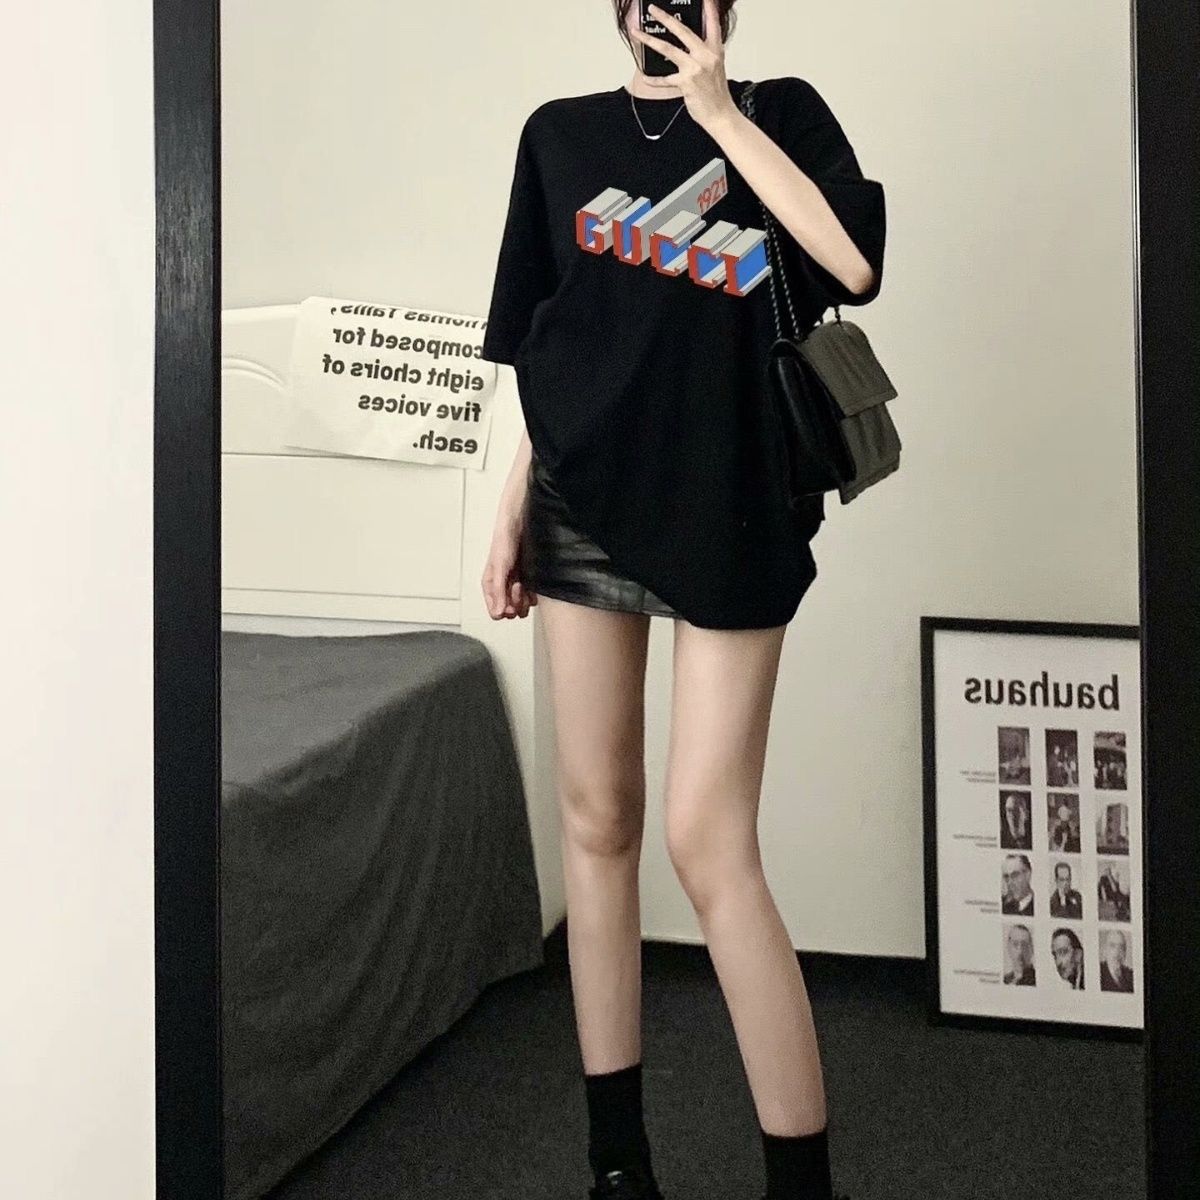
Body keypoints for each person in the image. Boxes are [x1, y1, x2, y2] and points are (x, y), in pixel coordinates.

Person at [478, 2, 885, 1197]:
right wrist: (513, 504)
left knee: (709, 841)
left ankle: (800, 1183)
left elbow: (853, 265)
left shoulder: (781, 114)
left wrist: (718, 114)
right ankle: (619, 1167)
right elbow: (554, 339)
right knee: (596, 822)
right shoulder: (558, 136)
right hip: (582, 496)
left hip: (731, 497)